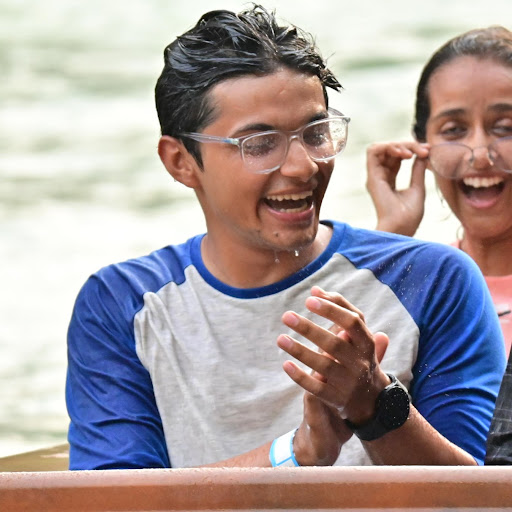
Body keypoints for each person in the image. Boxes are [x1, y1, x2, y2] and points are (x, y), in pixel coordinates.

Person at [66, 6, 504, 470]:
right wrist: (297, 453)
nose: (303, 166)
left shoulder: (434, 281)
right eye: (259, 144)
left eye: (316, 133)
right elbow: (115, 496)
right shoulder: (124, 304)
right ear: (180, 161)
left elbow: (481, 494)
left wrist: (376, 407)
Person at [363, 25, 512, 465]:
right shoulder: (422, 284)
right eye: (454, 130)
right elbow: (347, 401)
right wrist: (391, 236)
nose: (480, 153)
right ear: (422, 148)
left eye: (505, 127)